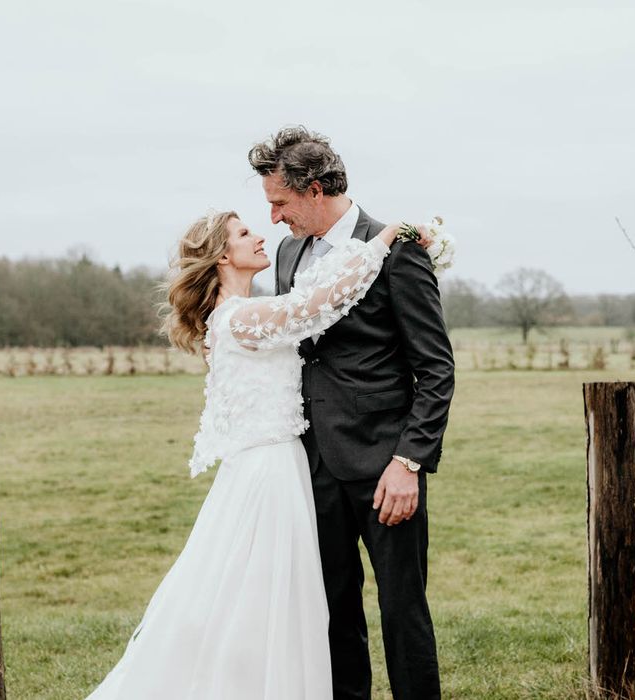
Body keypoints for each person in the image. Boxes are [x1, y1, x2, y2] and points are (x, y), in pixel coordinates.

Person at [85, 207, 427, 699]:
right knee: (260, 603)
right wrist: (381, 242)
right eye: (245, 233)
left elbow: (305, 302)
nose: (260, 235)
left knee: (272, 602)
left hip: (283, 467)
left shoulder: (241, 314)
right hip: (270, 475)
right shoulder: (242, 319)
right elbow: (319, 303)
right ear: (224, 255)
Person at [248, 126, 455, 700]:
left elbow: (436, 368)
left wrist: (409, 461)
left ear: (314, 190)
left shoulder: (398, 249)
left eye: (280, 203)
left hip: (385, 465)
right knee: (332, 612)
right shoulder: (289, 253)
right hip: (312, 466)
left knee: (402, 610)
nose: (274, 219)